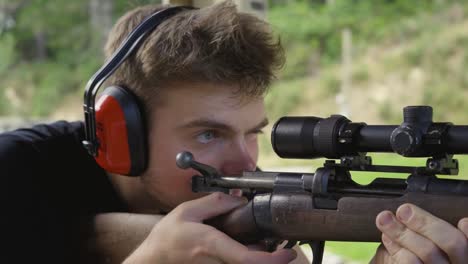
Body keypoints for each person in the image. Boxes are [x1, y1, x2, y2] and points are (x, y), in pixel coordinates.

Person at [2, 1, 468, 263]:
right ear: (121, 132)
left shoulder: (241, 232)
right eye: (208, 134)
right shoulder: (13, 176)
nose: (246, 163)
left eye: (253, 133)